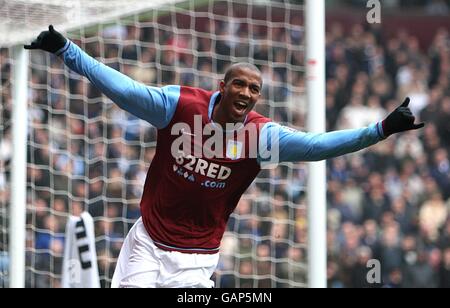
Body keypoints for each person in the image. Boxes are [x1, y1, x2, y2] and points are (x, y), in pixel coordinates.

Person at [25, 26, 425, 288]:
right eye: (241, 84)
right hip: (147, 241)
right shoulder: (178, 106)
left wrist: (381, 130)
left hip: (198, 259)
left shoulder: (260, 136)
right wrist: (66, 50)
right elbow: (123, 89)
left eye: (255, 90)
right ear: (223, 85)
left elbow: (318, 146)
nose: (248, 94)